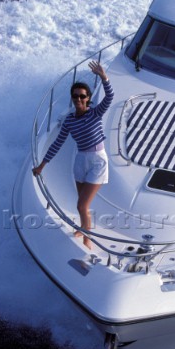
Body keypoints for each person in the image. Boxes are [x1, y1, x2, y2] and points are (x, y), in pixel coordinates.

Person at [32, 61, 114, 250]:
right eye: (75, 96)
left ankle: (87, 239)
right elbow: (57, 143)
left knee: (82, 206)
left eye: (82, 96)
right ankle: (84, 228)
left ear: (88, 98)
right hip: (81, 161)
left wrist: (104, 77)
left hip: (98, 161)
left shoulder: (95, 113)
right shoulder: (69, 120)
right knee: (81, 204)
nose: (78, 98)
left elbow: (110, 97)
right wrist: (42, 165)